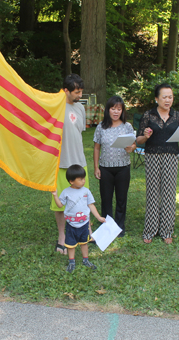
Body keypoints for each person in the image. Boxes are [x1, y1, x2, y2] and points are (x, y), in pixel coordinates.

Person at [136, 83, 179, 244]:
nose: (168, 100)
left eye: (170, 97)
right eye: (164, 97)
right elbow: (139, 139)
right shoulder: (148, 115)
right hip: (152, 156)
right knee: (153, 193)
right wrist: (146, 136)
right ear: (156, 99)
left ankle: (167, 230)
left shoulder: (177, 116)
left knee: (168, 193)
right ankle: (150, 230)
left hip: (171, 156)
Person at [51, 74, 89, 255]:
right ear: (65, 90)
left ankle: (86, 232)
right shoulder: (55, 107)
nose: (79, 95)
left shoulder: (81, 108)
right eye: (76, 92)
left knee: (84, 199)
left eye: (81, 91)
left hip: (79, 161)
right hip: (60, 163)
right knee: (59, 204)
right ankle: (62, 237)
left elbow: (78, 132)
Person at [93, 96, 136, 237]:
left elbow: (133, 144)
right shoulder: (101, 126)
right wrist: (96, 167)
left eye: (119, 109)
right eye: (113, 108)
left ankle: (119, 226)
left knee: (121, 198)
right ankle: (107, 227)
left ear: (122, 110)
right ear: (108, 110)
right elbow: (96, 148)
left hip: (123, 167)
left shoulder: (127, 126)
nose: (116, 112)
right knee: (106, 199)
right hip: (105, 168)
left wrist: (132, 148)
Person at [52, 165, 105, 273]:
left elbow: (91, 205)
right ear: (71, 181)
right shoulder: (66, 192)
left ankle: (86, 260)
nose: (83, 181)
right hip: (71, 225)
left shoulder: (86, 191)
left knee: (84, 243)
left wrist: (98, 217)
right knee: (71, 245)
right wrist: (55, 196)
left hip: (84, 224)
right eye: (80, 179)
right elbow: (59, 205)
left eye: (84, 178)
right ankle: (72, 262)